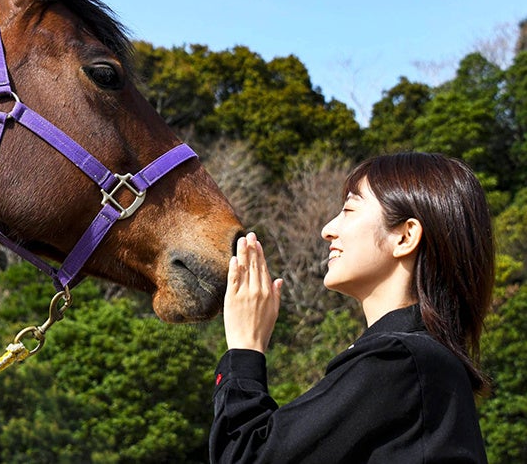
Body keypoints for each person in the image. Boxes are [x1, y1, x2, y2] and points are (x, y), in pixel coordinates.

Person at [210, 152, 493, 463]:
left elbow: (247, 456)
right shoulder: (420, 361)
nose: (328, 229)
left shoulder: (399, 360)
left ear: (405, 236)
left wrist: (245, 349)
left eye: (349, 209)